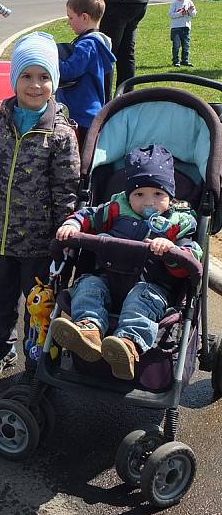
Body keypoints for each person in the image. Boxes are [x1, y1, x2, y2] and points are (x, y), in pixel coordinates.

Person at [0, 32, 80, 380]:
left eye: (44, 77)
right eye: (27, 76)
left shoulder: (60, 134)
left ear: (54, 82)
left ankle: (37, 358)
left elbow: (66, 189)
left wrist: (65, 233)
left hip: (39, 244)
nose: (35, 85)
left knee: (38, 304)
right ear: (14, 80)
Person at [52, 144, 202, 380]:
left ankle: (127, 345)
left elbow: (191, 259)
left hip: (150, 286)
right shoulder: (115, 209)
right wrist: (73, 225)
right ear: (128, 194)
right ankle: (88, 330)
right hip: (107, 279)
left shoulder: (177, 222)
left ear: (170, 196)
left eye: (158, 194)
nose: (149, 202)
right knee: (88, 285)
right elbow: (88, 215)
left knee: (141, 300)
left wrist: (172, 251)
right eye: (139, 194)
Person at [56, 0, 116, 149]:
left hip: (82, 113)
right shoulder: (96, 42)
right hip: (87, 112)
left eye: (71, 17)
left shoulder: (88, 45)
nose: (68, 22)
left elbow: (68, 72)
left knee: (79, 156)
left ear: (84, 17)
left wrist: (51, 59)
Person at [169, 0, 197, 68]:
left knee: (186, 45)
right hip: (176, 28)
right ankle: (175, 61)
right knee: (176, 45)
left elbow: (194, 14)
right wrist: (181, 13)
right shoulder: (174, 4)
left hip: (186, 27)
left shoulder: (189, 2)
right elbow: (171, 15)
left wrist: (191, 11)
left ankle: (185, 60)